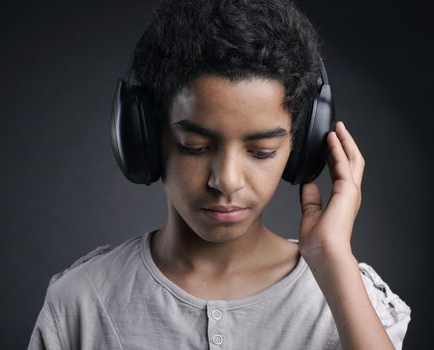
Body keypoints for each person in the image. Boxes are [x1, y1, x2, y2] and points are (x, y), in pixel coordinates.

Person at [27, 0, 411, 349]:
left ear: (302, 147)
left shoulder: (351, 298)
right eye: (195, 146)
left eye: (262, 151)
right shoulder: (79, 303)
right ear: (143, 137)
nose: (226, 181)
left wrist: (333, 262)